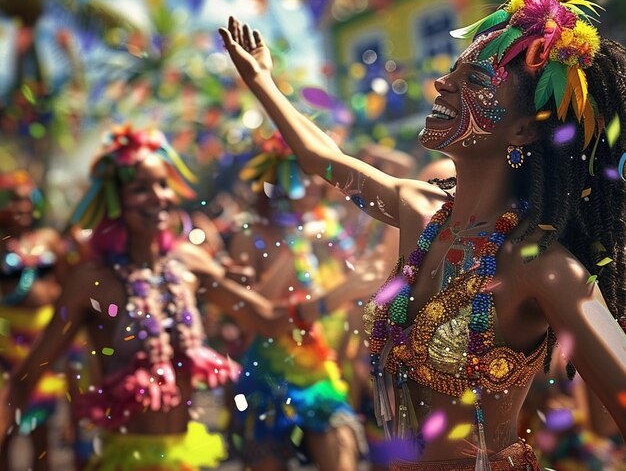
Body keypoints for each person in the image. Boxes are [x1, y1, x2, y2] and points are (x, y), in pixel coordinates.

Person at [219, 0, 626, 470]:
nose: (443, 83)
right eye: (454, 70)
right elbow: (320, 157)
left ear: (523, 128)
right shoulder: (418, 210)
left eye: (474, 81)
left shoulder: (540, 266)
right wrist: (262, 81)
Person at [0, 124, 382, 471]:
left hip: (189, 454)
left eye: (163, 184)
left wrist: (341, 293)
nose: (158, 197)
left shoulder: (188, 262)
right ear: (113, 199)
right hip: (127, 461)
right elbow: (29, 373)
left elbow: (266, 317)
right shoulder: (91, 281)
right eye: (140, 188)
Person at [227, 135, 375, 471]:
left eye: (313, 175)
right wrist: (294, 246)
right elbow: (253, 311)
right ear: (276, 180)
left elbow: (343, 296)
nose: (309, 184)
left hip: (318, 367)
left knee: (342, 452)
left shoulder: (330, 232)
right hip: (268, 370)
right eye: (298, 174)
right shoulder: (250, 236)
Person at [0, 169, 66, 471]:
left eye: (28, 200)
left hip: (42, 346)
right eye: (14, 200)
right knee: (6, 431)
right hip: (5, 347)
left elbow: (68, 285)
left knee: (42, 434)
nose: (22, 207)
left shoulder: (49, 239)